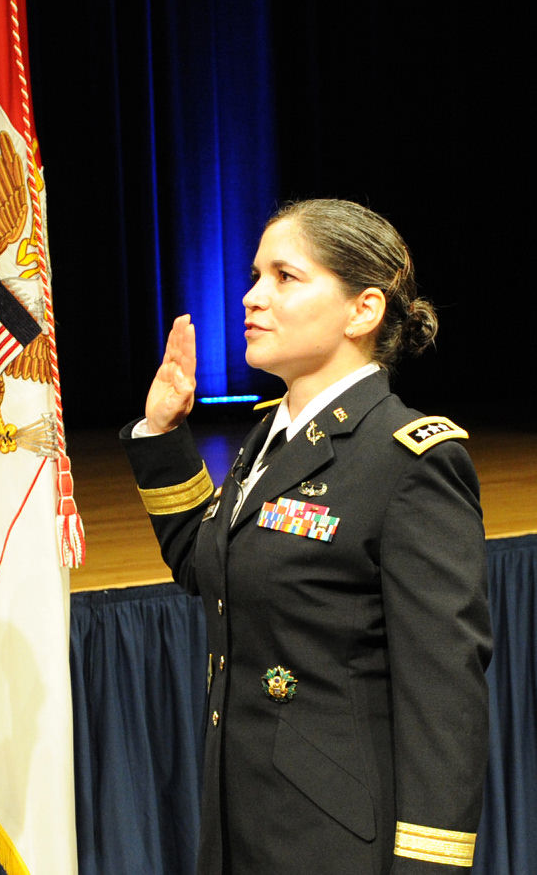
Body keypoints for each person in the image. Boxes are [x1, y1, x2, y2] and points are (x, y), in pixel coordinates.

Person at [121, 199, 490, 873]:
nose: (250, 298)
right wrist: (163, 436)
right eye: (255, 276)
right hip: (243, 825)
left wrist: (430, 865)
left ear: (362, 311)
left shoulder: (407, 459)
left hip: (336, 842)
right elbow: (209, 567)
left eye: (285, 278)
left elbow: (444, 700)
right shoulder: (271, 436)